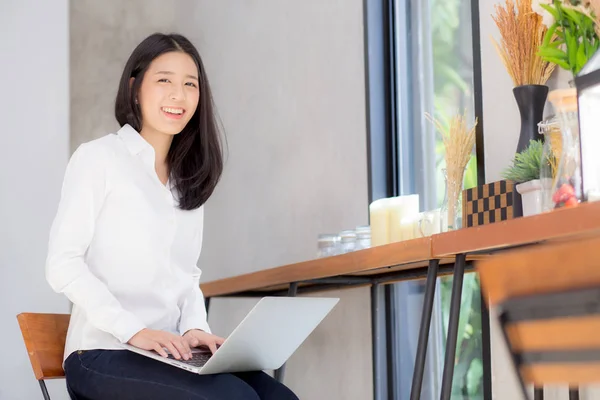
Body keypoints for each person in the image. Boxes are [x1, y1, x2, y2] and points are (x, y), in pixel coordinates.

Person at [45, 32, 299, 400]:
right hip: (102, 353)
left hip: (168, 355)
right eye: (164, 80)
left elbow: (186, 277)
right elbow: (62, 264)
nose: (178, 95)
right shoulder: (99, 159)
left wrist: (195, 329)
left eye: (190, 84)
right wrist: (134, 330)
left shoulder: (186, 181)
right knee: (232, 397)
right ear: (135, 87)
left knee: (279, 397)